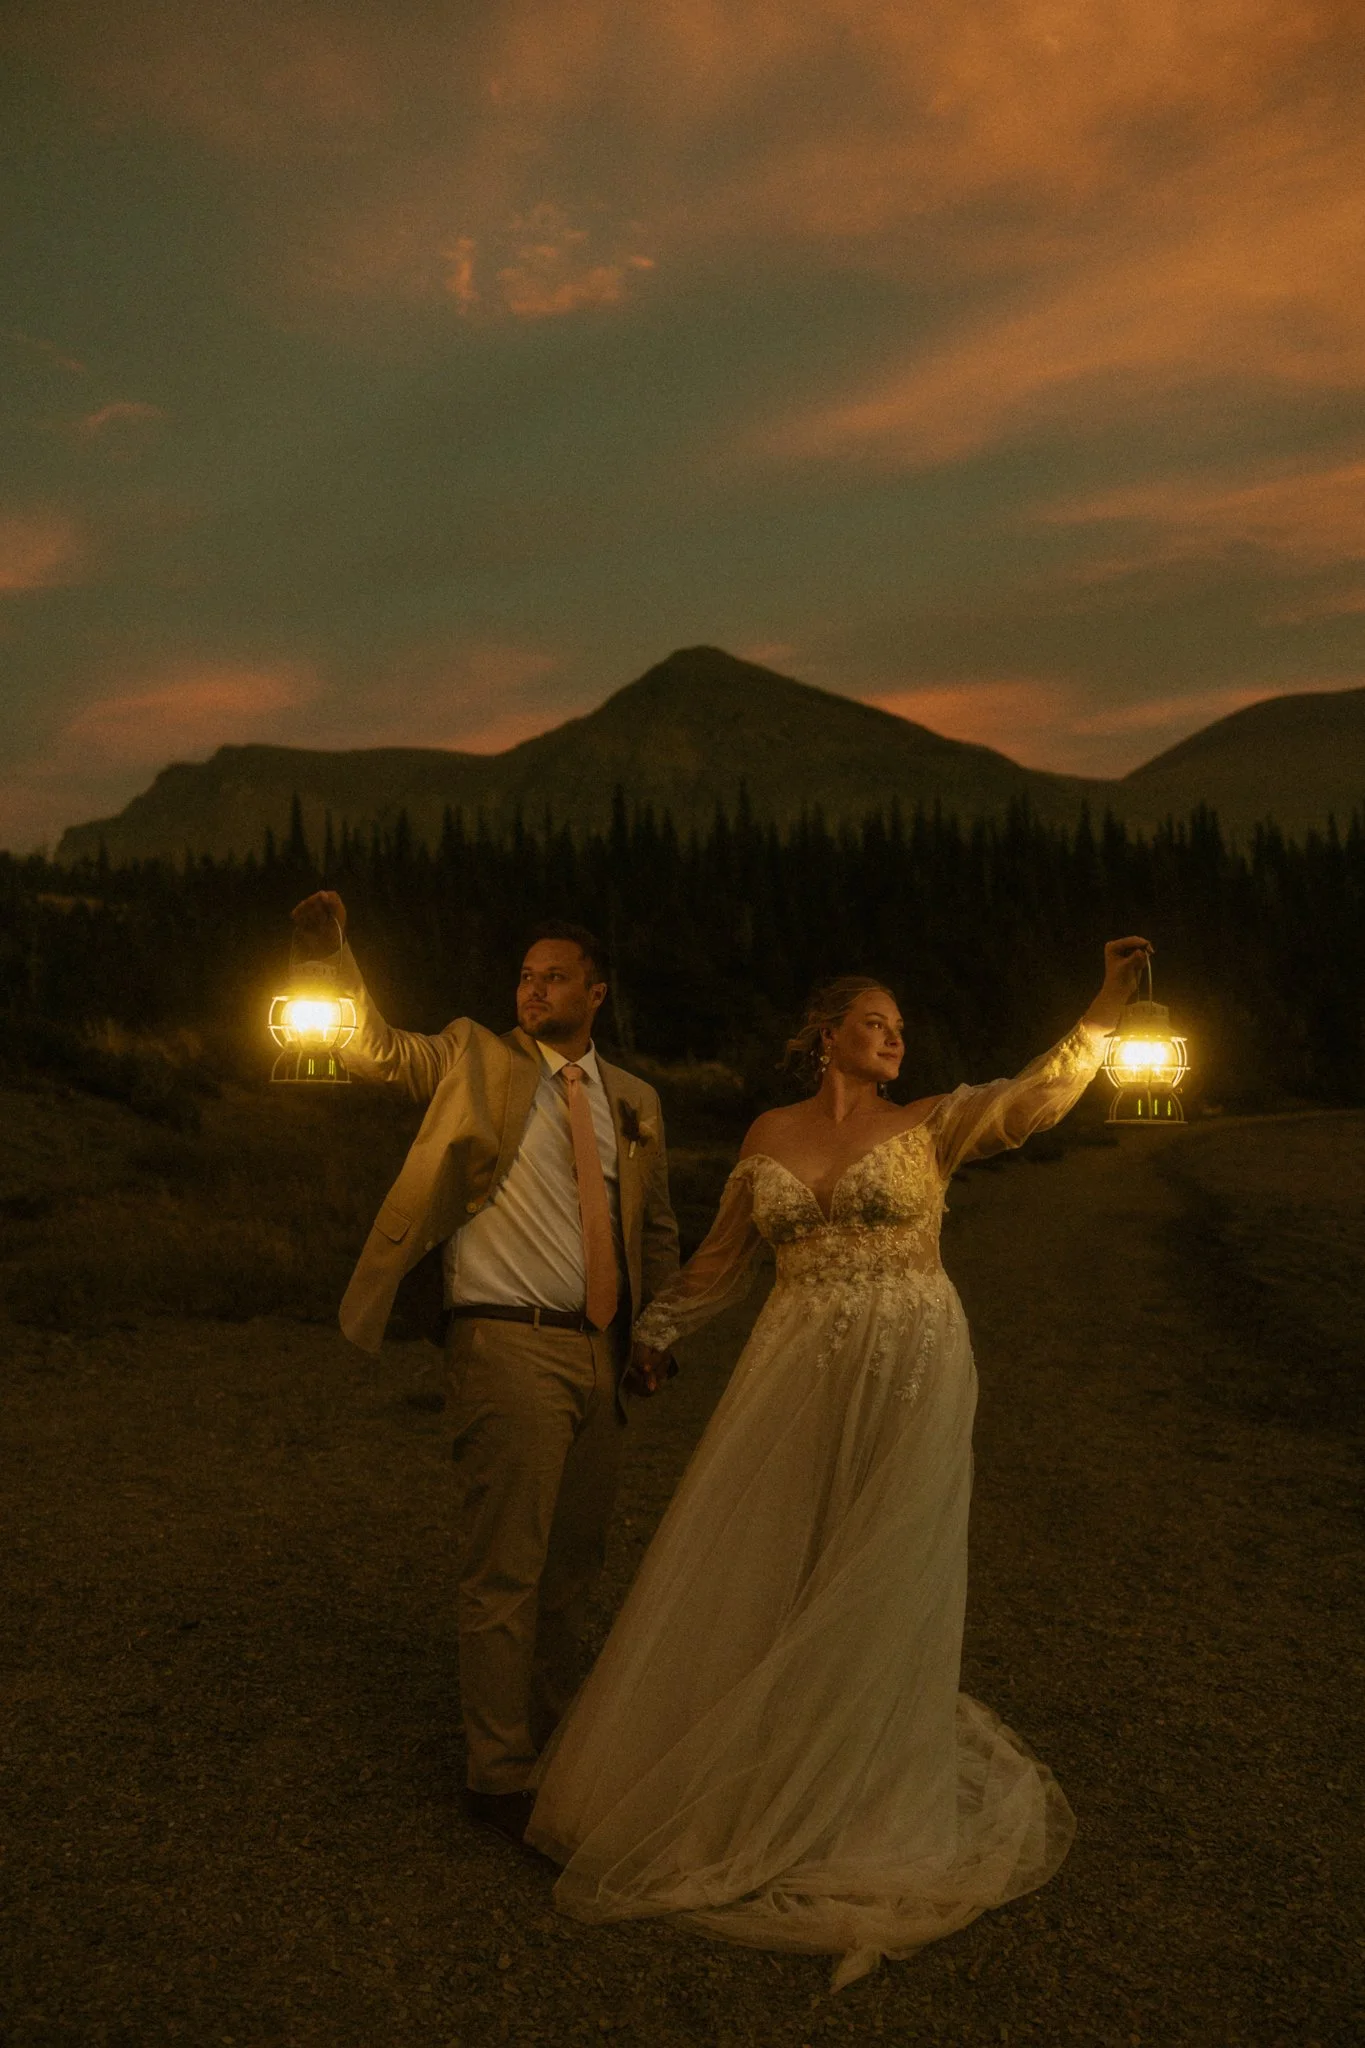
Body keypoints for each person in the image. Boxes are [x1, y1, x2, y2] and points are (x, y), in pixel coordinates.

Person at [527, 938, 1153, 1989]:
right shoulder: (769, 1133)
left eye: (900, 1027)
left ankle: (862, 1791)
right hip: (793, 1363)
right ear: (827, 1036)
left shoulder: (931, 1121)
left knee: (880, 1559)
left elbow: (1033, 1100)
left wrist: (1104, 1005)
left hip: (912, 1356)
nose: (895, 1038)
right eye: (875, 1022)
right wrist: (657, 1334)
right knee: (776, 1553)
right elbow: (722, 1258)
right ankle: (760, 1762)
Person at [290, 891, 679, 1846]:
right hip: (505, 1341)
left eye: (554, 977)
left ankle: (556, 1747)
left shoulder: (633, 1100)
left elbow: (655, 1226)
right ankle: (497, 1773)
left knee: (573, 1568)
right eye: (525, 976)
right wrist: (331, 956)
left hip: (599, 1349)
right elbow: (376, 1050)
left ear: (596, 993)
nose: (532, 989)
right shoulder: (472, 1055)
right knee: (505, 1565)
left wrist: (656, 1333)